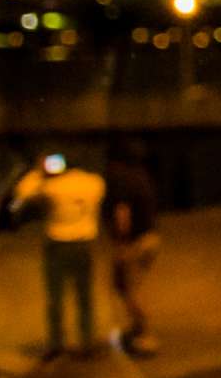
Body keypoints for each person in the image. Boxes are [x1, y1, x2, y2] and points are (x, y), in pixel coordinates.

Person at [11, 150, 107, 360]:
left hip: (57, 244)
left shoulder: (50, 187)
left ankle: (56, 344)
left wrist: (38, 171)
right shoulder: (95, 182)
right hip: (85, 244)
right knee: (84, 297)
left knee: (55, 296)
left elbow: (22, 193)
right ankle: (86, 341)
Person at [104, 140, 161, 360]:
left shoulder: (119, 178)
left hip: (134, 241)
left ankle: (146, 336)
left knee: (129, 289)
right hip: (150, 237)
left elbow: (122, 213)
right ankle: (137, 329)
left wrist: (121, 243)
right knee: (125, 286)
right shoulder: (140, 175)